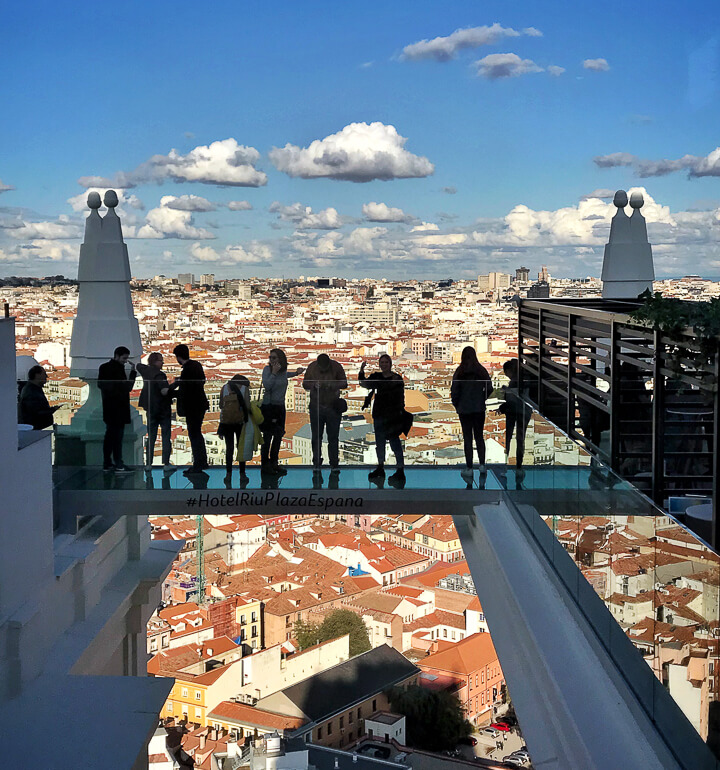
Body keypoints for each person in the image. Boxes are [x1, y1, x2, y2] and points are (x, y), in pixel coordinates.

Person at [360, 355, 406, 484]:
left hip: (391, 414)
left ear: (390, 364)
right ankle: (385, 467)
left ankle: (398, 469)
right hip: (381, 413)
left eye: (386, 362)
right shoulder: (382, 377)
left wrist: (400, 412)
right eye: (382, 362)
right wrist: (362, 371)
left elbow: (401, 398)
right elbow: (364, 384)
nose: (384, 364)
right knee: (381, 442)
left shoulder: (395, 379)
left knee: (394, 442)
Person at [302, 353, 347, 471]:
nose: (323, 370)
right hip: (317, 406)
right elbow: (305, 384)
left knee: (331, 437)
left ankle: (333, 463)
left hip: (332, 406)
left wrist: (329, 384)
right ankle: (318, 462)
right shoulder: (312, 367)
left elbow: (345, 383)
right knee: (317, 437)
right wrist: (314, 385)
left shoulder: (336, 366)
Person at [261, 348, 303, 474]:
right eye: (270, 358)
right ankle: (265, 464)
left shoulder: (283, 372)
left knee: (278, 435)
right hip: (269, 407)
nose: (271, 360)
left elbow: (287, 375)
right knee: (267, 436)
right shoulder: (267, 370)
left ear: (280, 359)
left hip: (280, 407)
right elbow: (267, 385)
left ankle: (274, 462)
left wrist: (296, 373)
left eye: (274, 357)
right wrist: (273, 372)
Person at [451, 346, 491, 478]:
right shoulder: (481, 371)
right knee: (479, 437)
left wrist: (457, 404)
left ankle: (469, 467)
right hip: (479, 408)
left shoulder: (460, 371)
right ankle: (482, 465)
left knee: (467, 438)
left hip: (464, 409)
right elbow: (489, 388)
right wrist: (481, 398)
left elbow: (455, 391)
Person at [170, 343, 209, 474]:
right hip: (200, 405)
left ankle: (198, 463)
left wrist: (170, 391)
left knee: (194, 435)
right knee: (197, 434)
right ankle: (202, 461)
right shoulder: (197, 365)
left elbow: (185, 391)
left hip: (192, 407)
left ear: (178, 357)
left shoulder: (187, 370)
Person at [98, 346, 137, 472]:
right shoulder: (118, 370)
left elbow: (101, 385)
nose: (125, 361)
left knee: (109, 437)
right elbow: (128, 387)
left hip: (108, 407)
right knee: (117, 438)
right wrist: (133, 372)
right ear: (117, 356)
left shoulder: (103, 367)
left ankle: (107, 463)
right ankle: (118, 463)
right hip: (119, 408)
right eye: (124, 358)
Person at [219, 375, 261, 481]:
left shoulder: (224, 387)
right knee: (241, 447)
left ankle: (228, 474)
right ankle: (242, 474)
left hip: (227, 422)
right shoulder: (244, 389)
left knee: (229, 448)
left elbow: (220, 405)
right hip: (240, 422)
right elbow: (247, 406)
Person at [136, 352, 172, 469]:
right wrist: (177, 383)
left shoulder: (145, 370)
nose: (163, 363)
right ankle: (166, 463)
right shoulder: (160, 375)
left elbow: (138, 366)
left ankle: (148, 464)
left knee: (151, 436)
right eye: (161, 361)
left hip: (150, 408)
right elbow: (164, 391)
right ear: (155, 361)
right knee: (166, 436)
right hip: (163, 409)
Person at [500, 359, 531, 469]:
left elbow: (513, 399)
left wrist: (506, 392)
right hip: (525, 412)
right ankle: (519, 465)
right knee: (520, 438)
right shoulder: (525, 379)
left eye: (506, 372)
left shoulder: (514, 381)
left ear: (509, 371)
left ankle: (507, 462)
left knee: (509, 437)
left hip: (513, 412)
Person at [18, 365, 60, 430]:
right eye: (44, 374)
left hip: (37, 429)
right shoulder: (31, 391)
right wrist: (52, 410)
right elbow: (35, 412)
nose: (46, 376)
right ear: (37, 375)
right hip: (35, 430)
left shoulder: (33, 389)